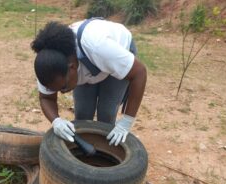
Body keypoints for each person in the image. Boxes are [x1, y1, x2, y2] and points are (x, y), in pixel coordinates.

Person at [30, 18, 147, 146]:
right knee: (82, 114)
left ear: (72, 67)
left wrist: (126, 122)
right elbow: (46, 98)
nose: (62, 93)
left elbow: (139, 73)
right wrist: (56, 121)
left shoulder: (98, 47)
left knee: (106, 113)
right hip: (90, 62)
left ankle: (105, 152)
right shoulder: (48, 67)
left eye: (63, 87)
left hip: (114, 55)